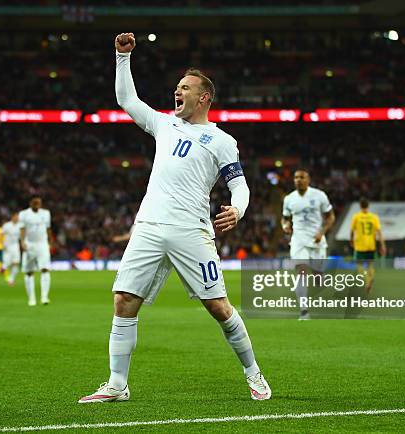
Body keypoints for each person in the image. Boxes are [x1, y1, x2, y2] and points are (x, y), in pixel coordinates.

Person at [78, 32, 270, 403]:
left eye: (185, 88)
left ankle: (253, 372)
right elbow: (126, 99)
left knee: (218, 307)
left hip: (191, 231)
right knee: (123, 300)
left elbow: (240, 186)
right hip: (149, 226)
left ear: (204, 97)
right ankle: (118, 384)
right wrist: (122, 57)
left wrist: (238, 209)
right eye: (176, 87)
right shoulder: (164, 124)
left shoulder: (221, 140)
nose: (176, 92)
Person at [281, 169, 335, 320]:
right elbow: (284, 218)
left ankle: (320, 278)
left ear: (308, 179)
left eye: (302, 177)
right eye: (296, 177)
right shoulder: (289, 199)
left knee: (318, 279)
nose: (298, 180)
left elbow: (331, 217)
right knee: (301, 271)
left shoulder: (319, 196)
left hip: (317, 240)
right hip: (298, 240)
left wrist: (322, 232)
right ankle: (304, 311)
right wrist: (285, 226)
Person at [19, 197, 52, 306]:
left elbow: (48, 228)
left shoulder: (46, 213)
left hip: (42, 243)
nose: (37, 204)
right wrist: (22, 242)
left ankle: (44, 297)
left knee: (45, 269)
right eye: (35, 202)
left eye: (39, 202)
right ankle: (31, 298)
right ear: (30, 203)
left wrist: (50, 242)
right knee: (29, 272)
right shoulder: (24, 214)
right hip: (30, 244)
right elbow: (22, 229)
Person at [350, 198, 386, 294]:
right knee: (370, 265)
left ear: (360, 205)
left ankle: (367, 280)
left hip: (360, 245)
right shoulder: (374, 217)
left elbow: (352, 230)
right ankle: (371, 278)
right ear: (368, 206)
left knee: (359, 265)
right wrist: (382, 245)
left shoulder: (356, 217)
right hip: (371, 245)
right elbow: (379, 232)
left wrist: (351, 240)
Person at [2, 213, 21, 286]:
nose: (17, 218)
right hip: (7, 246)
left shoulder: (20, 226)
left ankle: (11, 279)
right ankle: (3, 268)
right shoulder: (7, 225)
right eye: (16, 217)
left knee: (16, 263)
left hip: (15, 245)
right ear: (12, 217)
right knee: (7, 263)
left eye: (18, 217)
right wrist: (1, 244)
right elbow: (1, 235)